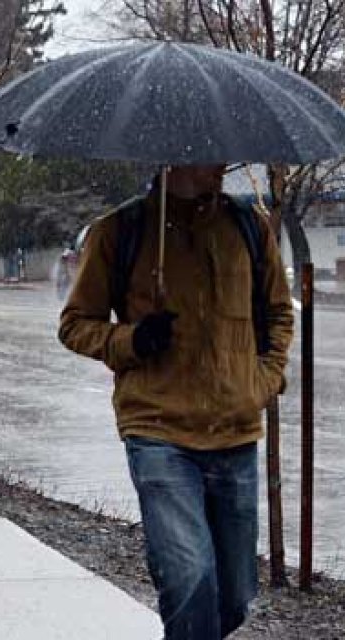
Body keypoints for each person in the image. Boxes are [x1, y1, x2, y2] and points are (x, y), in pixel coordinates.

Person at [58, 165, 293, 639]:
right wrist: (133, 340)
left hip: (234, 431)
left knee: (234, 595)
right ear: (174, 159)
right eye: (209, 154)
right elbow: (75, 324)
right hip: (158, 431)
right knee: (190, 577)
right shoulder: (120, 231)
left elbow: (278, 314)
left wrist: (262, 382)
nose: (220, 163)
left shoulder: (248, 227)